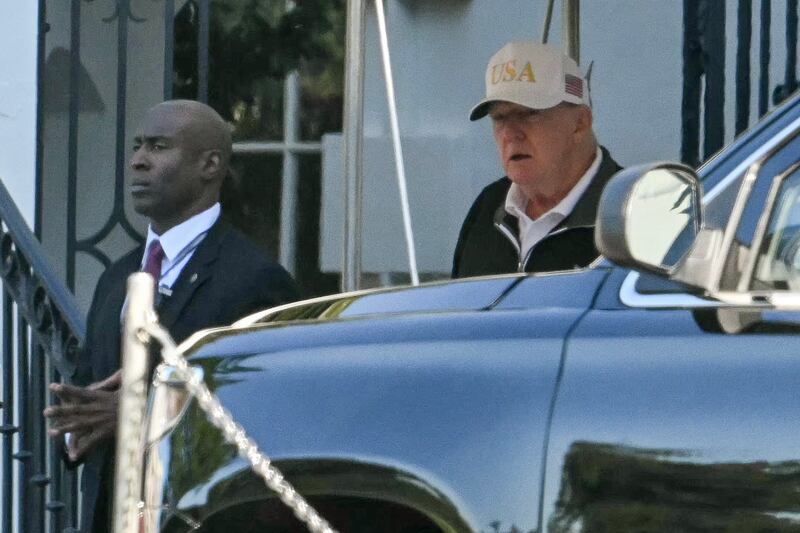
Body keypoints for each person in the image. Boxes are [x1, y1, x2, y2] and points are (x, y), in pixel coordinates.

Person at [43, 99, 300, 533]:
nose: (139, 160)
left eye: (159, 147)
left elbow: (270, 419)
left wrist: (145, 418)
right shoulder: (116, 278)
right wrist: (74, 427)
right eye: (138, 146)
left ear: (210, 164)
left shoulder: (256, 281)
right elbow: (90, 395)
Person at [452, 41, 623, 277]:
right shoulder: (488, 206)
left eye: (528, 114)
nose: (510, 133)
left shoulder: (631, 214)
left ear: (580, 122)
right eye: (499, 118)